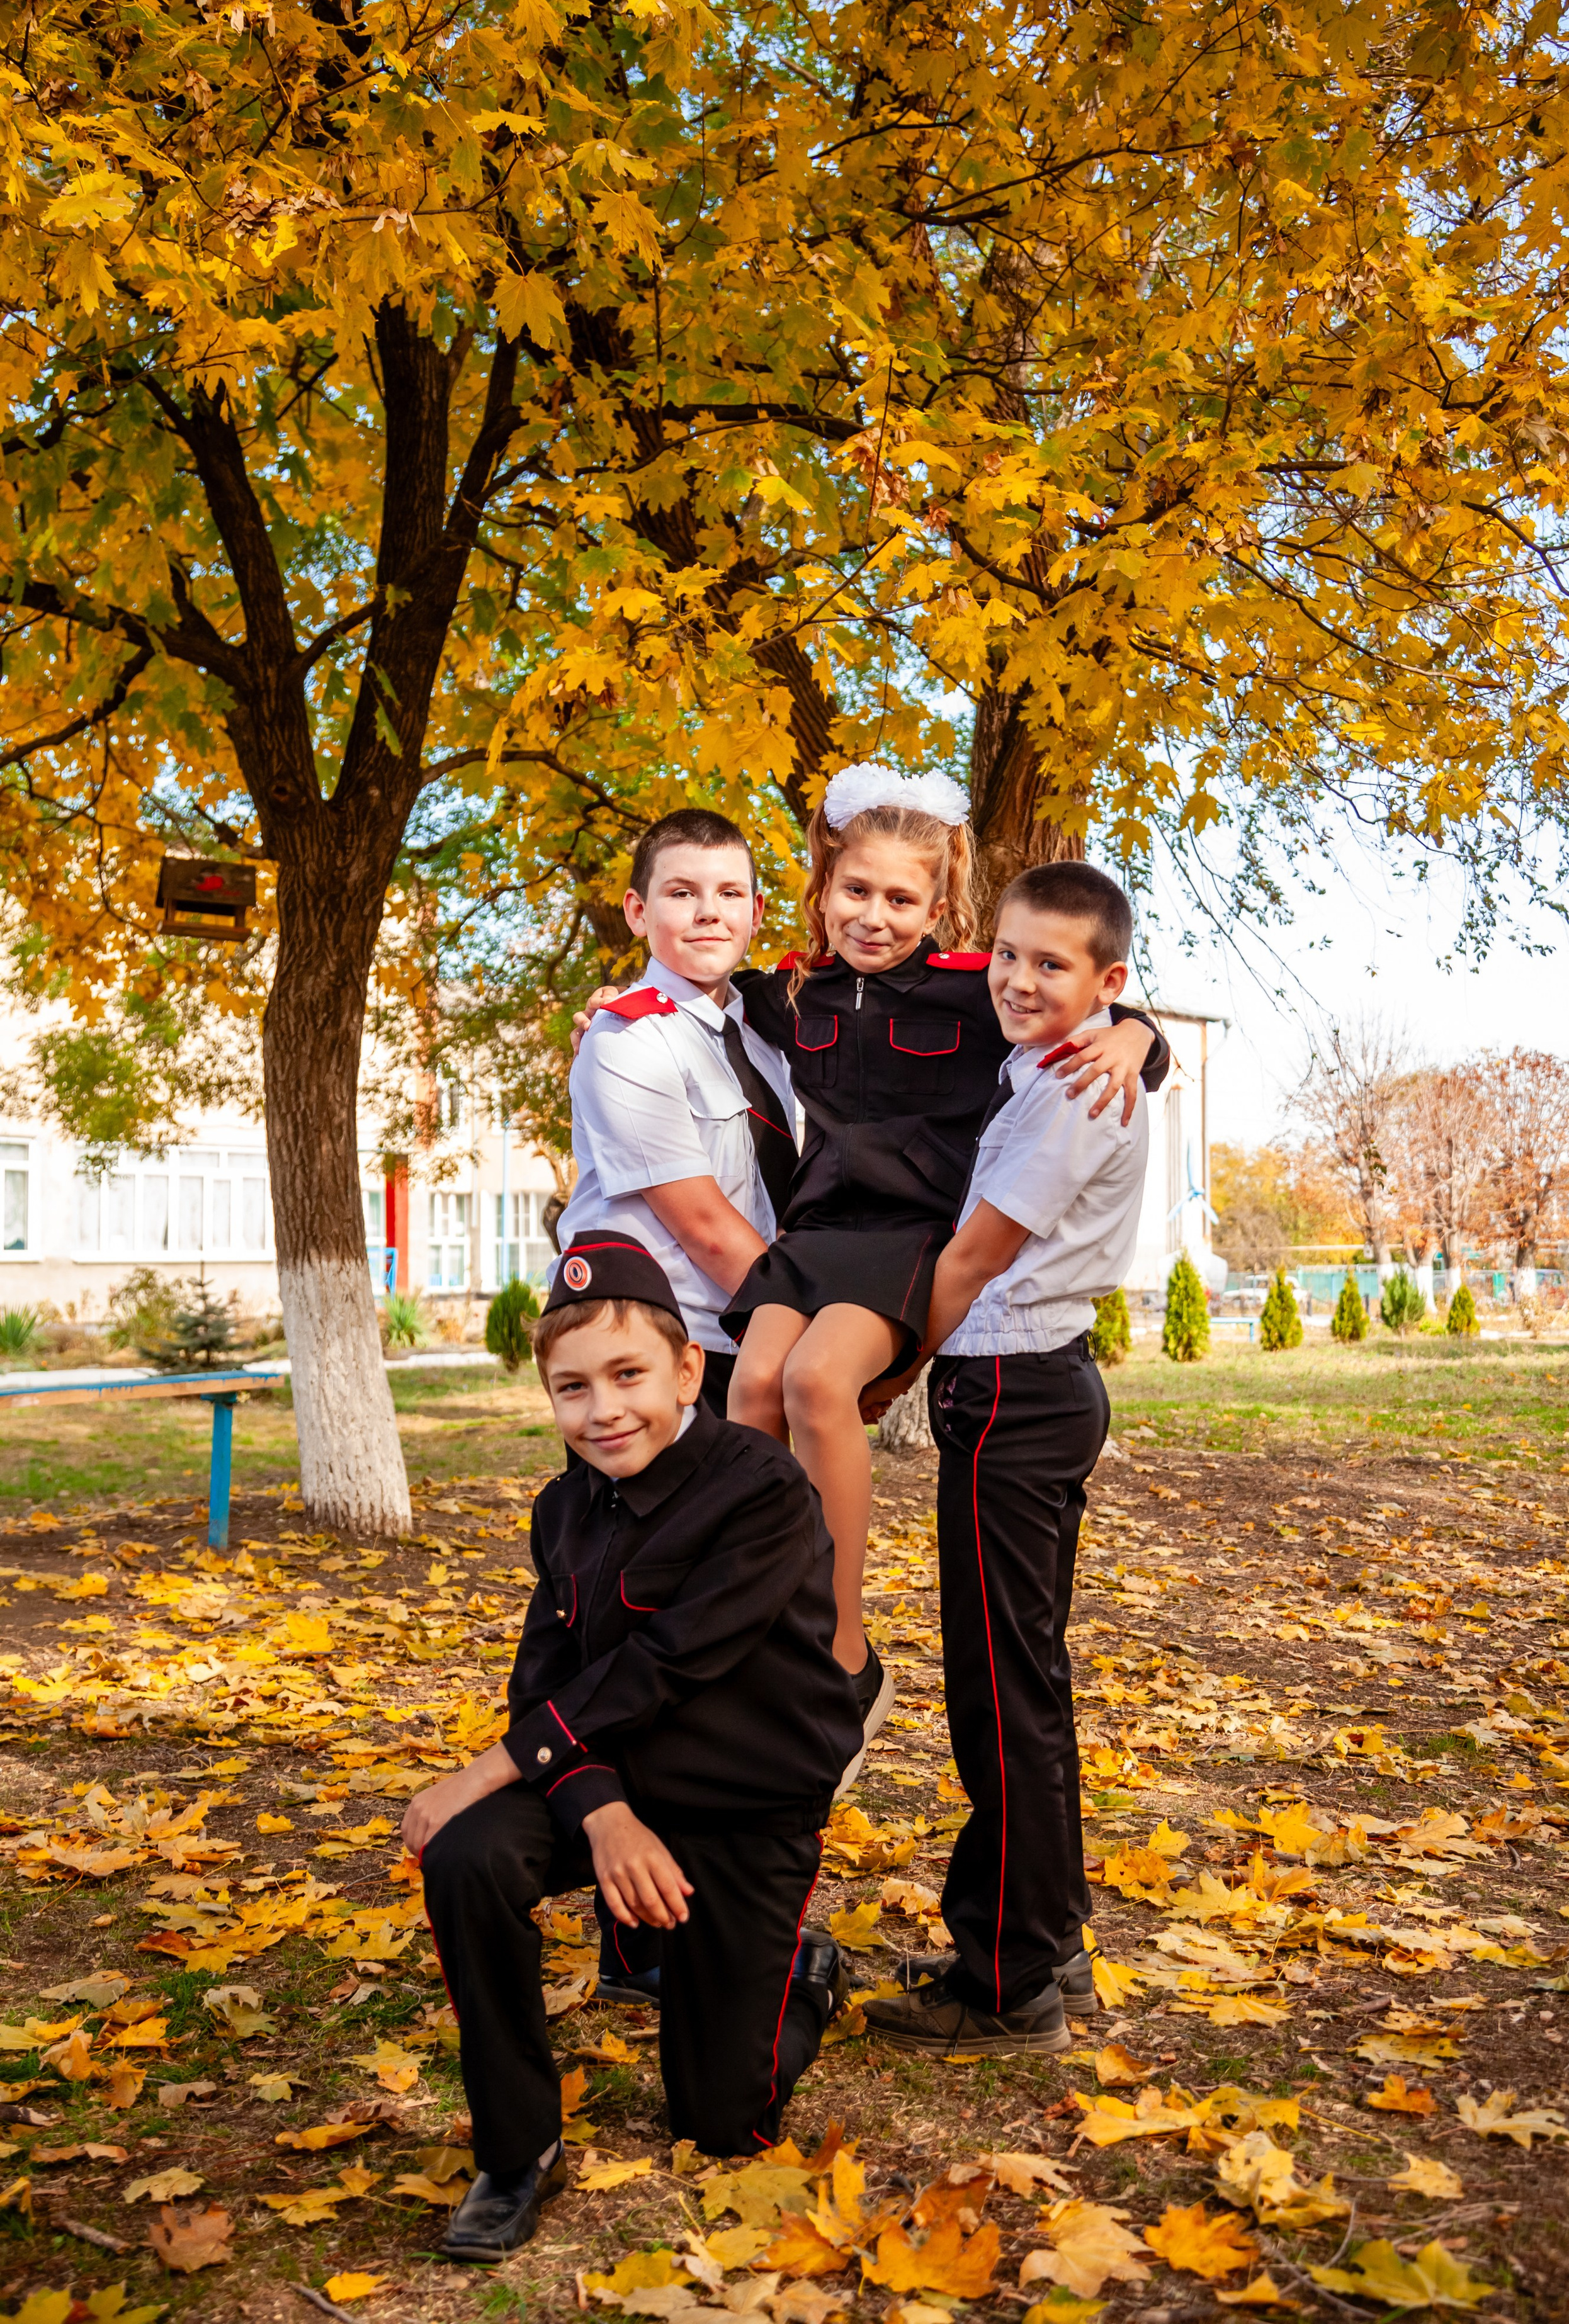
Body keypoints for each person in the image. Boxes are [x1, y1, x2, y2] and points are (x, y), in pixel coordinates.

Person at [405, 1233, 860, 2261]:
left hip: (745, 1801)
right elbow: (547, 1687)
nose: (602, 1410)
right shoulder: (562, 1510)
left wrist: (488, 1767)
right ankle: (515, 2151)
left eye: (626, 1376)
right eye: (572, 1388)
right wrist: (603, 1813)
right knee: (469, 1853)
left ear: (687, 1369)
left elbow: (662, 1662)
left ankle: (805, 1975)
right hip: (623, 1780)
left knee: (718, 2126)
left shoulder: (761, 1489)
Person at [724, 764, 1170, 1769]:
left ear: (939, 904)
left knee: (813, 1383)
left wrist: (1140, 1039)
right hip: (819, 1226)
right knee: (751, 1389)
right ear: (823, 886)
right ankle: (759, 1624)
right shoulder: (798, 989)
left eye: (898, 899)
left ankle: (843, 1657)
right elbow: (697, 997)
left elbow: (1090, 1017)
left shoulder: (978, 986)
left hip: (915, 1235)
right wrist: (607, 1015)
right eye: (854, 892)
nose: (872, 917)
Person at [858, 860, 1153, 2056]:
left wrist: (888, 1376)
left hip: (1013, 1398)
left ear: (1108, 981)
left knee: (1002, 1694)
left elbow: (973, 1259)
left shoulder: (1069, 1091)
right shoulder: (1054, 1060)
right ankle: (1053, 1935)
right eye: (1012, 958)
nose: (1023, 982)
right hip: (1036, 1387)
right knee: (1024, 1681)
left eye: (1054, 966)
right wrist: (1138, 1033)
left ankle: (1008, 1978)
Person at [561, 807, 798, 1424]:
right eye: (681, 893)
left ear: (757, 911)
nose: (709, 913)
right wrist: (814, 1331)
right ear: (637, 912)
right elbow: (705, 1229)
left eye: (729, 893)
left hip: (756, 1340)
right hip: (663, 1348)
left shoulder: (769, 1034)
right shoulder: (627, 1039)